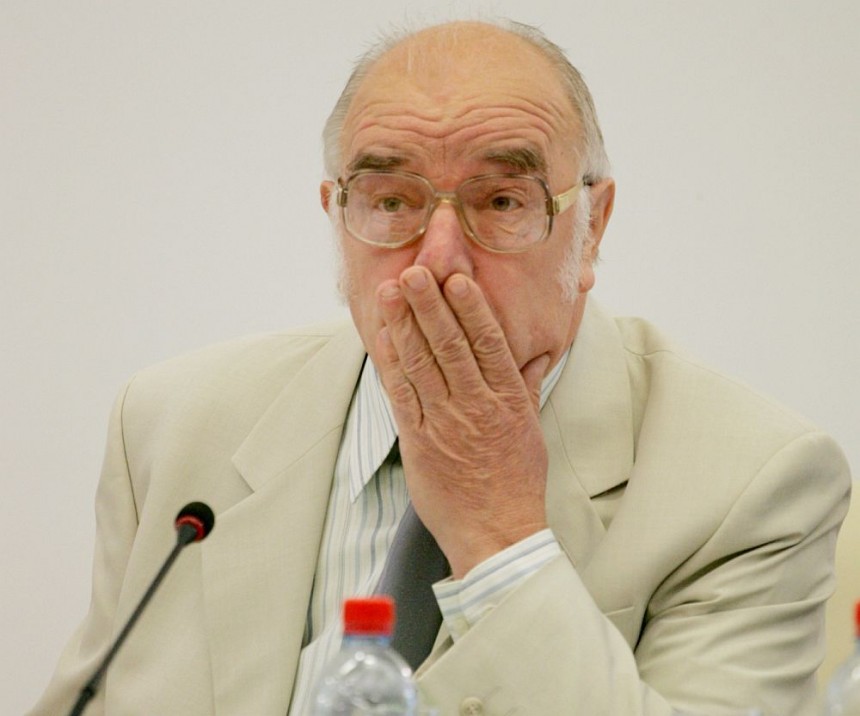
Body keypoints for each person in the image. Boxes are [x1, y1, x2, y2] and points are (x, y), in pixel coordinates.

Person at [30, 19, 850, 716]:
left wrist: (498, 535)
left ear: (593, 226)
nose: (439, 259)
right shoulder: (172, 425)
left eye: (502, 201)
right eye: (392, 202)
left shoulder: (755, 482)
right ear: (336, 219)